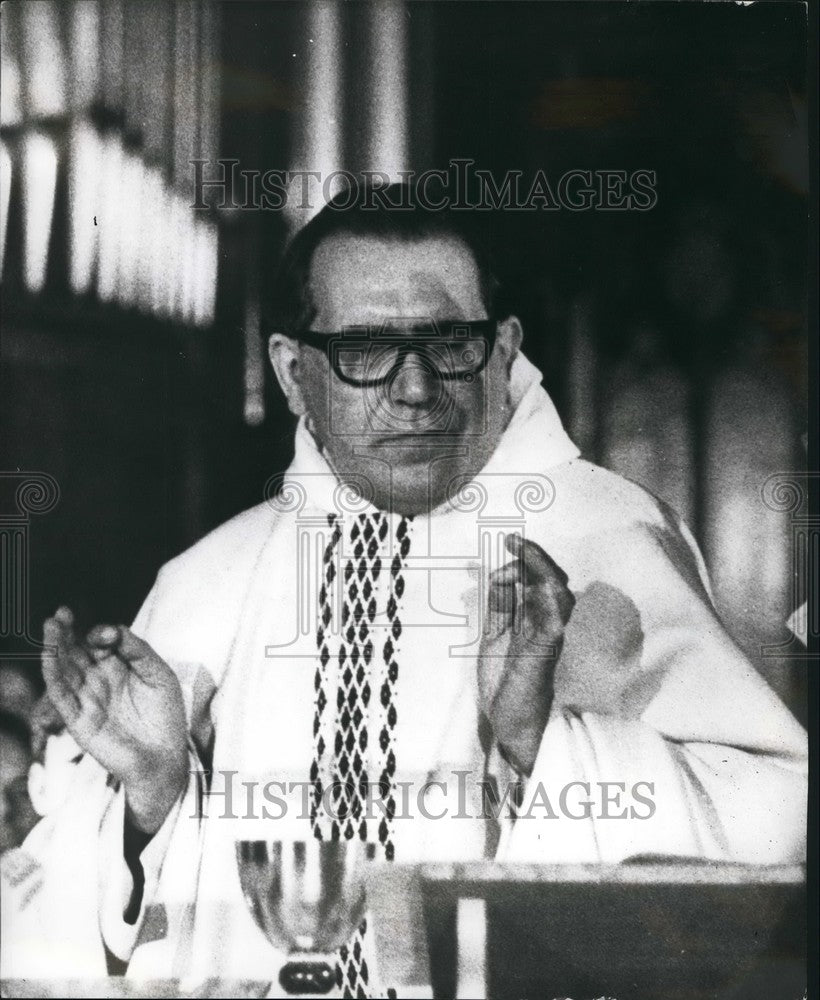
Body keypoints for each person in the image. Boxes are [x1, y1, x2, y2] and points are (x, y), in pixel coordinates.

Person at [8, 186, 806, 992]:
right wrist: (155, 791)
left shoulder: (607, 535)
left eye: (450, 343)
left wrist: (539, 744)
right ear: (292, 372)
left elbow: (773, 827)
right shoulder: (213, 577)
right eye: (364, 349)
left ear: (501, 351)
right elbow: (62, 929)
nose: (415, 388)